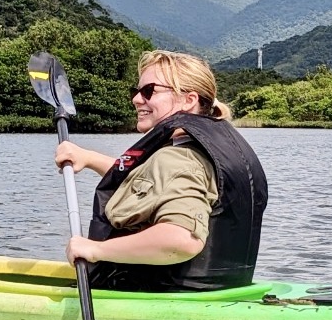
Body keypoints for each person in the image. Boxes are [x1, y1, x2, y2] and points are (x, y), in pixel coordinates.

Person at [55, 50, 268, 292]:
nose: (136, 99)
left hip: (161, 294)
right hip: (217, 291)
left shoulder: (180, 158)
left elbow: (181, 240)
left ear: (188, 100)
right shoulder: (204, 148)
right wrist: (90, 158)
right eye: (135, 91)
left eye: (149, 91)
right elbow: (152, 183)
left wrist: (94, 250)